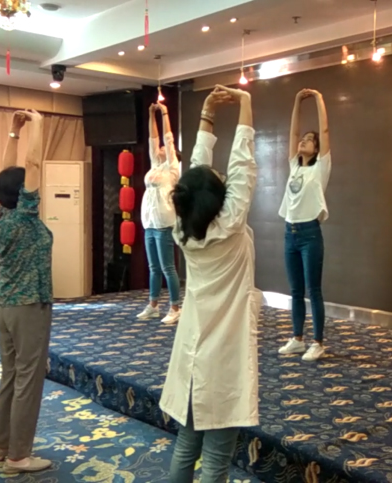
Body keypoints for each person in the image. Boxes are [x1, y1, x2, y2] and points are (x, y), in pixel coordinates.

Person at [160, 85, 260, 483]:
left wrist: (207, 115)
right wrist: (245, 104)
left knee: (186, 448)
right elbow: (242, 166)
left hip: (191, 349)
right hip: (224, 358)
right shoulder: (230, 226)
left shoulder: (183, 230)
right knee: (216, 462)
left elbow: (196, 180)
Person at [0, 110, 54, 473]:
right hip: (29, 306)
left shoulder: (3, 214)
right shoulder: (25, 215)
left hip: (5, 306)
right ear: (23, 193)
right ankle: (18, 455)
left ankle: (1, 445)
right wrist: (38, 125)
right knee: (28, 378)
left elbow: (6, 175)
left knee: (11, 375)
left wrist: (14, 132)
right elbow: (32, 165)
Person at [277, 88, 331, 362]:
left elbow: (325, 130)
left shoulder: (320, 168)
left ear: (317, 149)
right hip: (290, 233)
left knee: (314, 290)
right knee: (295, 291)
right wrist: (297, 101)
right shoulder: (294, 166)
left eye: (310, 140)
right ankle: (298, 339)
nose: (303, 141)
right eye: (304, 139)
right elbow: (293, 133)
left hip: (310, 234)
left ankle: (318, 342)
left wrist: (318, 99)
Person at [137, 101, 182, 324]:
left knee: (167, 267)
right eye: (160, 149)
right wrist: (150, 114)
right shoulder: (155, 165)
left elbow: (167, 138)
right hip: (149, 223)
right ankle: (153, 305)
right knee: (153, 267)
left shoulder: (172, 168)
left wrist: (164, 112)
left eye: (165, 149)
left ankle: (175, 307)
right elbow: (152, 139)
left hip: (164, 222)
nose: (161, 148)